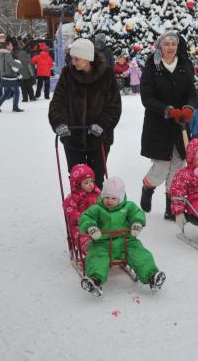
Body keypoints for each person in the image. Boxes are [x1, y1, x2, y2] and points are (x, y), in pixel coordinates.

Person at [48, 38, 121, 188]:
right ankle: (78, 211)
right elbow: (57, 103)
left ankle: (95, 211)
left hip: (98, 139)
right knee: (77, 181)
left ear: (88, 58)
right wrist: (60, 123)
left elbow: (113, 106)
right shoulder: (67, 74)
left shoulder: (106, 75)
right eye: (72, 58)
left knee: (96, 180)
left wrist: (102, 125)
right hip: (72, 138)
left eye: (77, 58)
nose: (73, 62)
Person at [140, 30, 196, 220]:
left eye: (174, 43)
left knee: (178, 166)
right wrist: (168, 110)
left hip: (180, 125)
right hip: (158, 124)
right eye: (167, 44)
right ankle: (148, 187)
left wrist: (188, 108)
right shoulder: (152, 67)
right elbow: (147, 98)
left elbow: (192, 93)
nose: (171, 47)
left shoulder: (184, 65)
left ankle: (170, 207)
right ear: (160, 47)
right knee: (162, 166)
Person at [78, 176, 166, 297]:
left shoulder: (128, 207)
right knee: (96, 258)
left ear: (121, 197)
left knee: (140, 255)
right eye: (106, 197)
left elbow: (137, 213)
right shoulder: (97, 209)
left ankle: (152, 276)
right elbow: (85, 217)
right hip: (102, 244)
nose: (109, 200)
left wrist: (137, 223)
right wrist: (91, 227)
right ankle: (95, 280)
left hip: (127, 242)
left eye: (114, 198)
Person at [63, 164, 100, 253]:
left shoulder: (97, 193)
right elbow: (70, 211)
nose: (90, 185)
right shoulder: (73, 198)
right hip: (80, 223)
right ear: (78, 185)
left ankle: (113, 245)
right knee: (79, 233)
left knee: (109, 227)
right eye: (86, 183)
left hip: (97, 221)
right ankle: (87, 246)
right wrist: (82, 218)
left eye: (91, 181)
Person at [0, 41, 23, 112]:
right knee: (16, 91)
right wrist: (20, 65)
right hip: (10, 76)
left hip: (4, 75)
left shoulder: (1, 54)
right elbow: (11, 63)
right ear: (7, 46)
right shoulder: (7, 54)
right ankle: (15, 107)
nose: (12, 47)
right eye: (11, 45)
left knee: (7, 92)